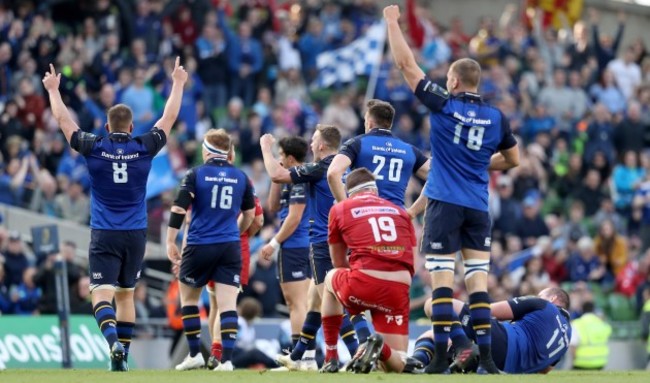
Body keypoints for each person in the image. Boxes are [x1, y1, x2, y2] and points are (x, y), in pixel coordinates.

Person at [384, 5, 519, 374]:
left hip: (444, 203)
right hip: (478, 206)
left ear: (455, 82)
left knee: (442, 284)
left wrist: (392, 22)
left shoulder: (443, 104)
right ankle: (488, 360)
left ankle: (442, 356)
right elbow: (513, 160)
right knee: (478, 286)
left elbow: (406, 65)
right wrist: (480, 162)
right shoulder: (496, 117)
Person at [42, 58, 188, 371]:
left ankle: (113, 345)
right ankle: (120, 360)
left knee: (101, 296)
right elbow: (169, 116)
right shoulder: (143, 146)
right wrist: (177, 83)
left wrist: (54, 90)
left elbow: (64, 121)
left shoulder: (94, 146)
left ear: (107, 127)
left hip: (104, 233)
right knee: (126, 296)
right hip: (136, 234)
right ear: (132, 127)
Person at [261, 125, 370, 370]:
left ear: (322, 145)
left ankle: (360, 349)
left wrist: (265, 149)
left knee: (331, 301)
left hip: (323, 242)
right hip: (347, 241)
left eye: (313, 140)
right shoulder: (347, 168)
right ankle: (299, 355)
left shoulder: (321, 168)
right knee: (314, 301)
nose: (310, 144)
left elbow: (277, 175)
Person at [167, 129, 256, 372]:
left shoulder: (195, 173)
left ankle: (195, 353)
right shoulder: (241, 176)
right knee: (228, 305)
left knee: (190, 300)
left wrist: (169, 241)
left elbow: (178, 210)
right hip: (229, 246)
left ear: (206, 150)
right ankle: (226, 361)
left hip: (199, 244)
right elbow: (249, 215)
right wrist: (235, 232)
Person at [320, 168, 422, 373]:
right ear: (375, 191)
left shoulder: (340, 209)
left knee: (331, 278)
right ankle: (380, 348)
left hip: (364, 283)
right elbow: (415, 264)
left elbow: (338, 261)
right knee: (395, 364)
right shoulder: (401, 212)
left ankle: (331, 356)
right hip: (398, 289)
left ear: (350, 192)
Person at [413, 287, 572, 374]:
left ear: (552, 299)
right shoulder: (567, 337)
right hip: (509, 369)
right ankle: (461, 353)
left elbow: (488, 311)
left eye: (540, 294)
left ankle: (417, 361)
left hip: (501, 341)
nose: (537, 296)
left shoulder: (543, 305)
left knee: (435, 303)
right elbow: (544, 371)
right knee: (444, 340)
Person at [205, 145, 265, 370]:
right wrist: (243, 234)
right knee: (227, 304)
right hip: (234, 246)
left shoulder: (203, 176)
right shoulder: (243, 180)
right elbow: (257, 220)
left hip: (208, 244)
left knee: (214, 304)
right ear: (232, 156)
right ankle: (220, 356)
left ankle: (214, 350)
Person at [327, 99, 429, 210]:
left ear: (369, 122)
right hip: (396, 218)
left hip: (365, 215)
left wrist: (345, 207)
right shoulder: (410, 149)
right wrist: (413, 211)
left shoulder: (357, 144)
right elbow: (438, 178)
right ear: (390, 123)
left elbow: (333, 173)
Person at [260, 136, 312, 354]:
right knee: (303, 303)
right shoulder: (290, 179)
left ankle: (300, 355)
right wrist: (276, 177)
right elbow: (272, 206)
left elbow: (294, 217)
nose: (278, 159)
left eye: (280, 155)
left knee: (296, 304)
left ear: (290, 158)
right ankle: (305, 353)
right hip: (301, 245)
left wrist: (274, 242)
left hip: (295, 245)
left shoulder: (300, 179)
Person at [569, 301, 612, 370]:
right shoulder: (602, 323)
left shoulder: (576, 324)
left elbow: (573, 345)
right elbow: (608, 331)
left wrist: (574, 361)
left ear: (582, 310)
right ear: (594, 310)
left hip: (581, 362)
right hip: (600, 362)